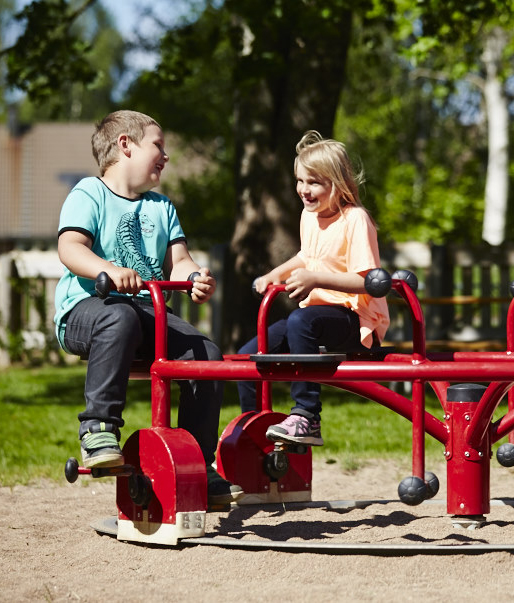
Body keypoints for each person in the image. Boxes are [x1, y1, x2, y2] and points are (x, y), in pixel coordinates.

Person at [53, 110, 242, 506]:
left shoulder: (161, 207)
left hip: (148, 315)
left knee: (205, 353)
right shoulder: (90, 193)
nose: (166, 155)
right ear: (126, 144)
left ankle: (196, 462)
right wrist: (109, 270)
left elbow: (180, 260)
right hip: (90, 310)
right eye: (158, 145)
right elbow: (70, 247)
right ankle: (98, 428)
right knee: (119, 317)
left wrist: (194, 277)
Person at [237, 131, 390, 446]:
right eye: (300, 181)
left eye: (314, 183)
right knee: (247, 356)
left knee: (299, 321)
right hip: (317, 318)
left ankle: (307, 416)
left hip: (355, 318)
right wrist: (272, 275)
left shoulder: (355, 220)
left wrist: (316, 279)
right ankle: (252, 431)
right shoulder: (310, 215)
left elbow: (367, 281)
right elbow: (306, 256)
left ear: (338, 183)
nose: (304, 190)